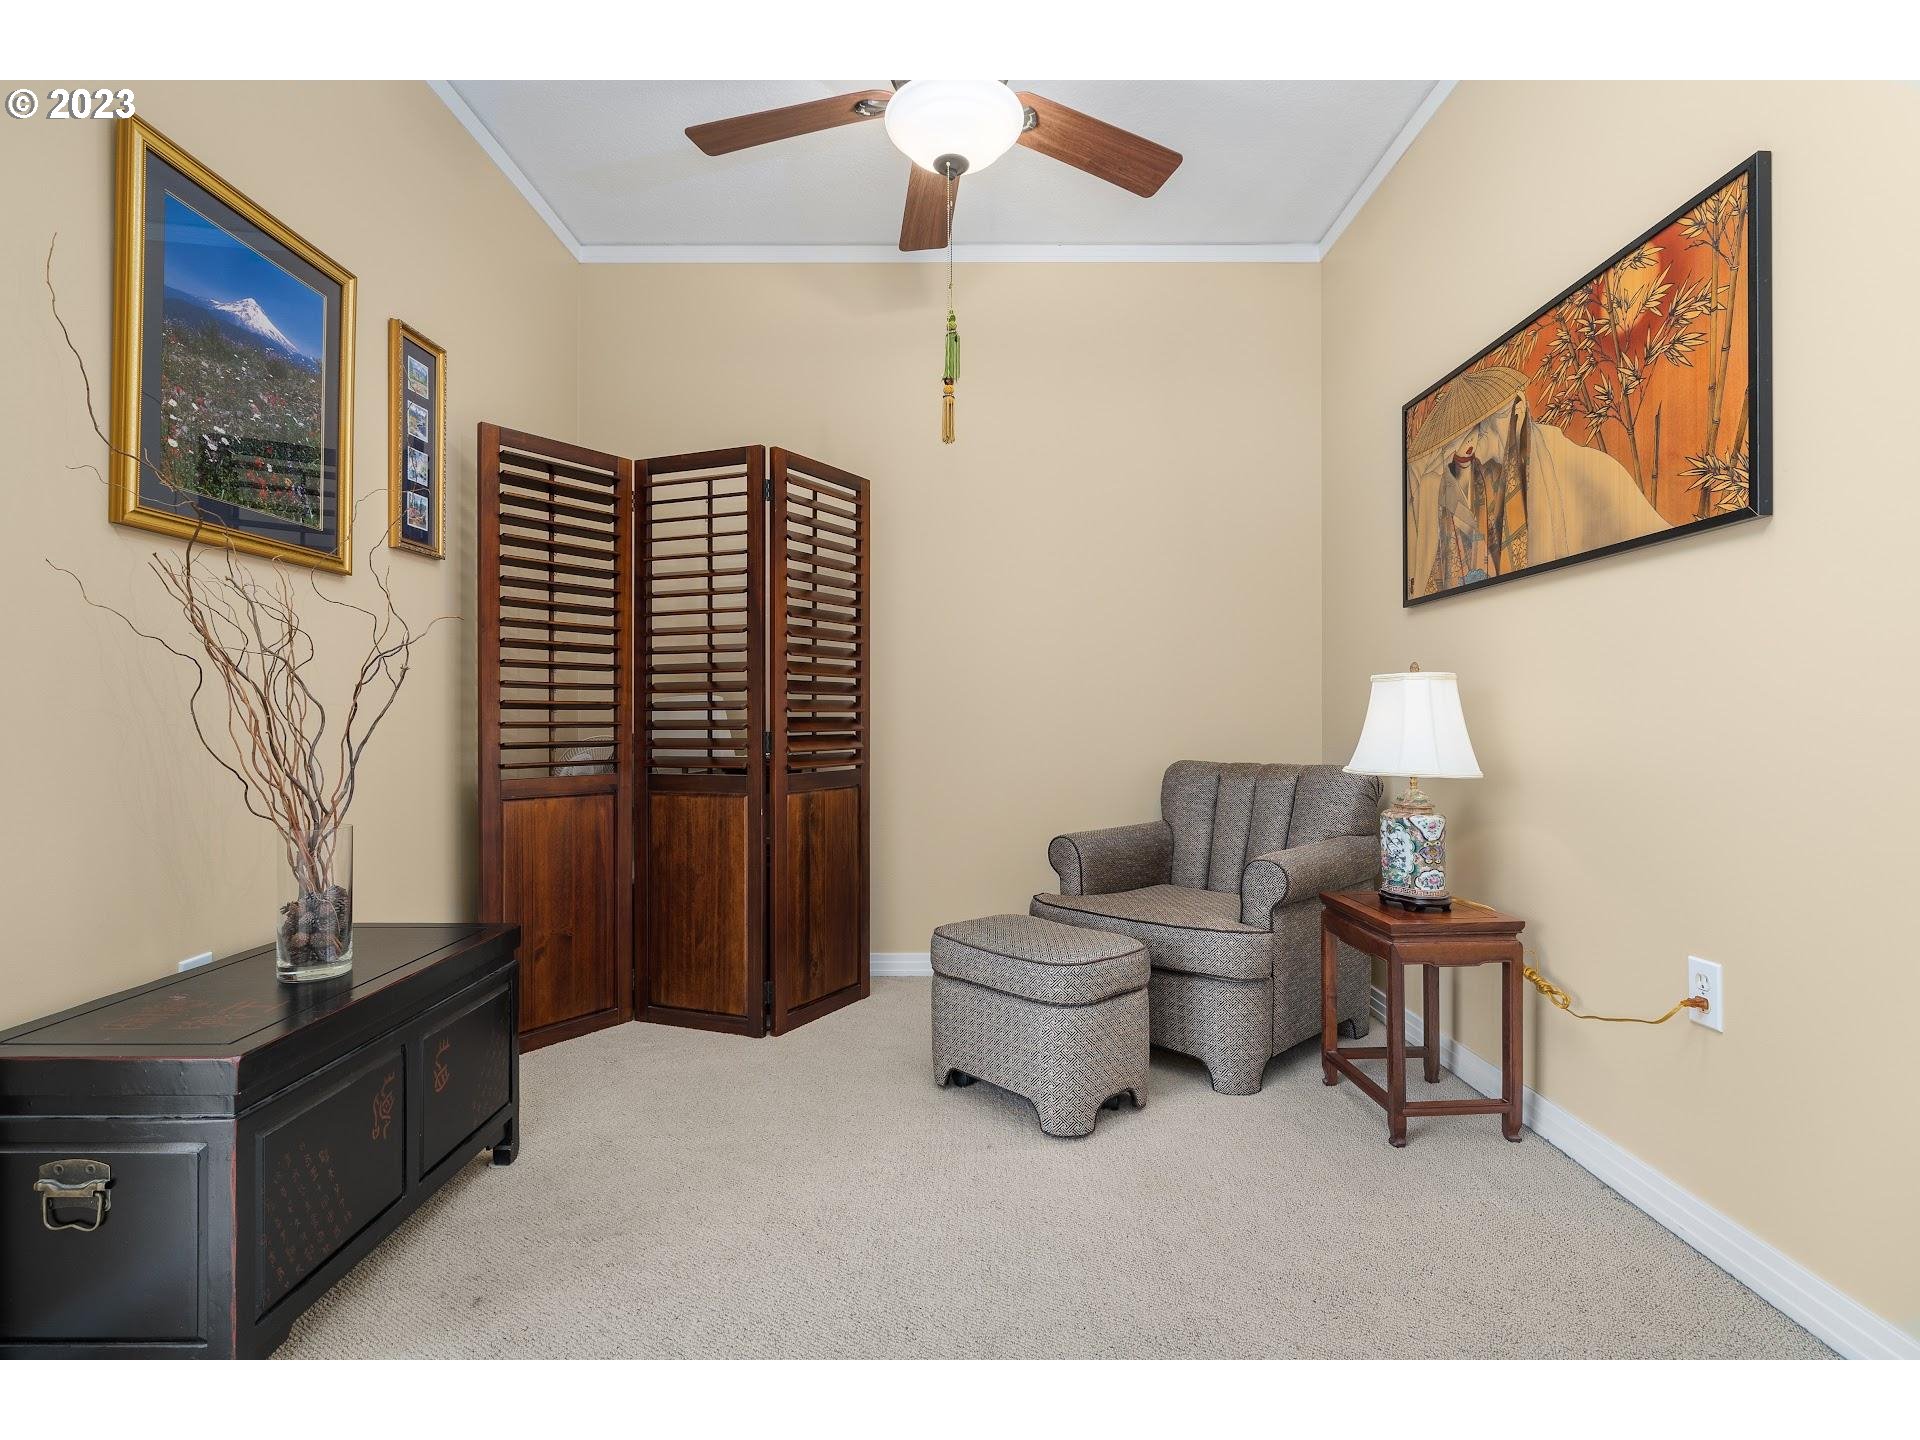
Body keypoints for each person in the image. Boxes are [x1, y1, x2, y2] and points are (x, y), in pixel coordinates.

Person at [1406, 366, 1666, 596]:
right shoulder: (1471, 477)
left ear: (1518, 410)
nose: (1471, 445)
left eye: (1483, 426)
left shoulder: (1574, 464)